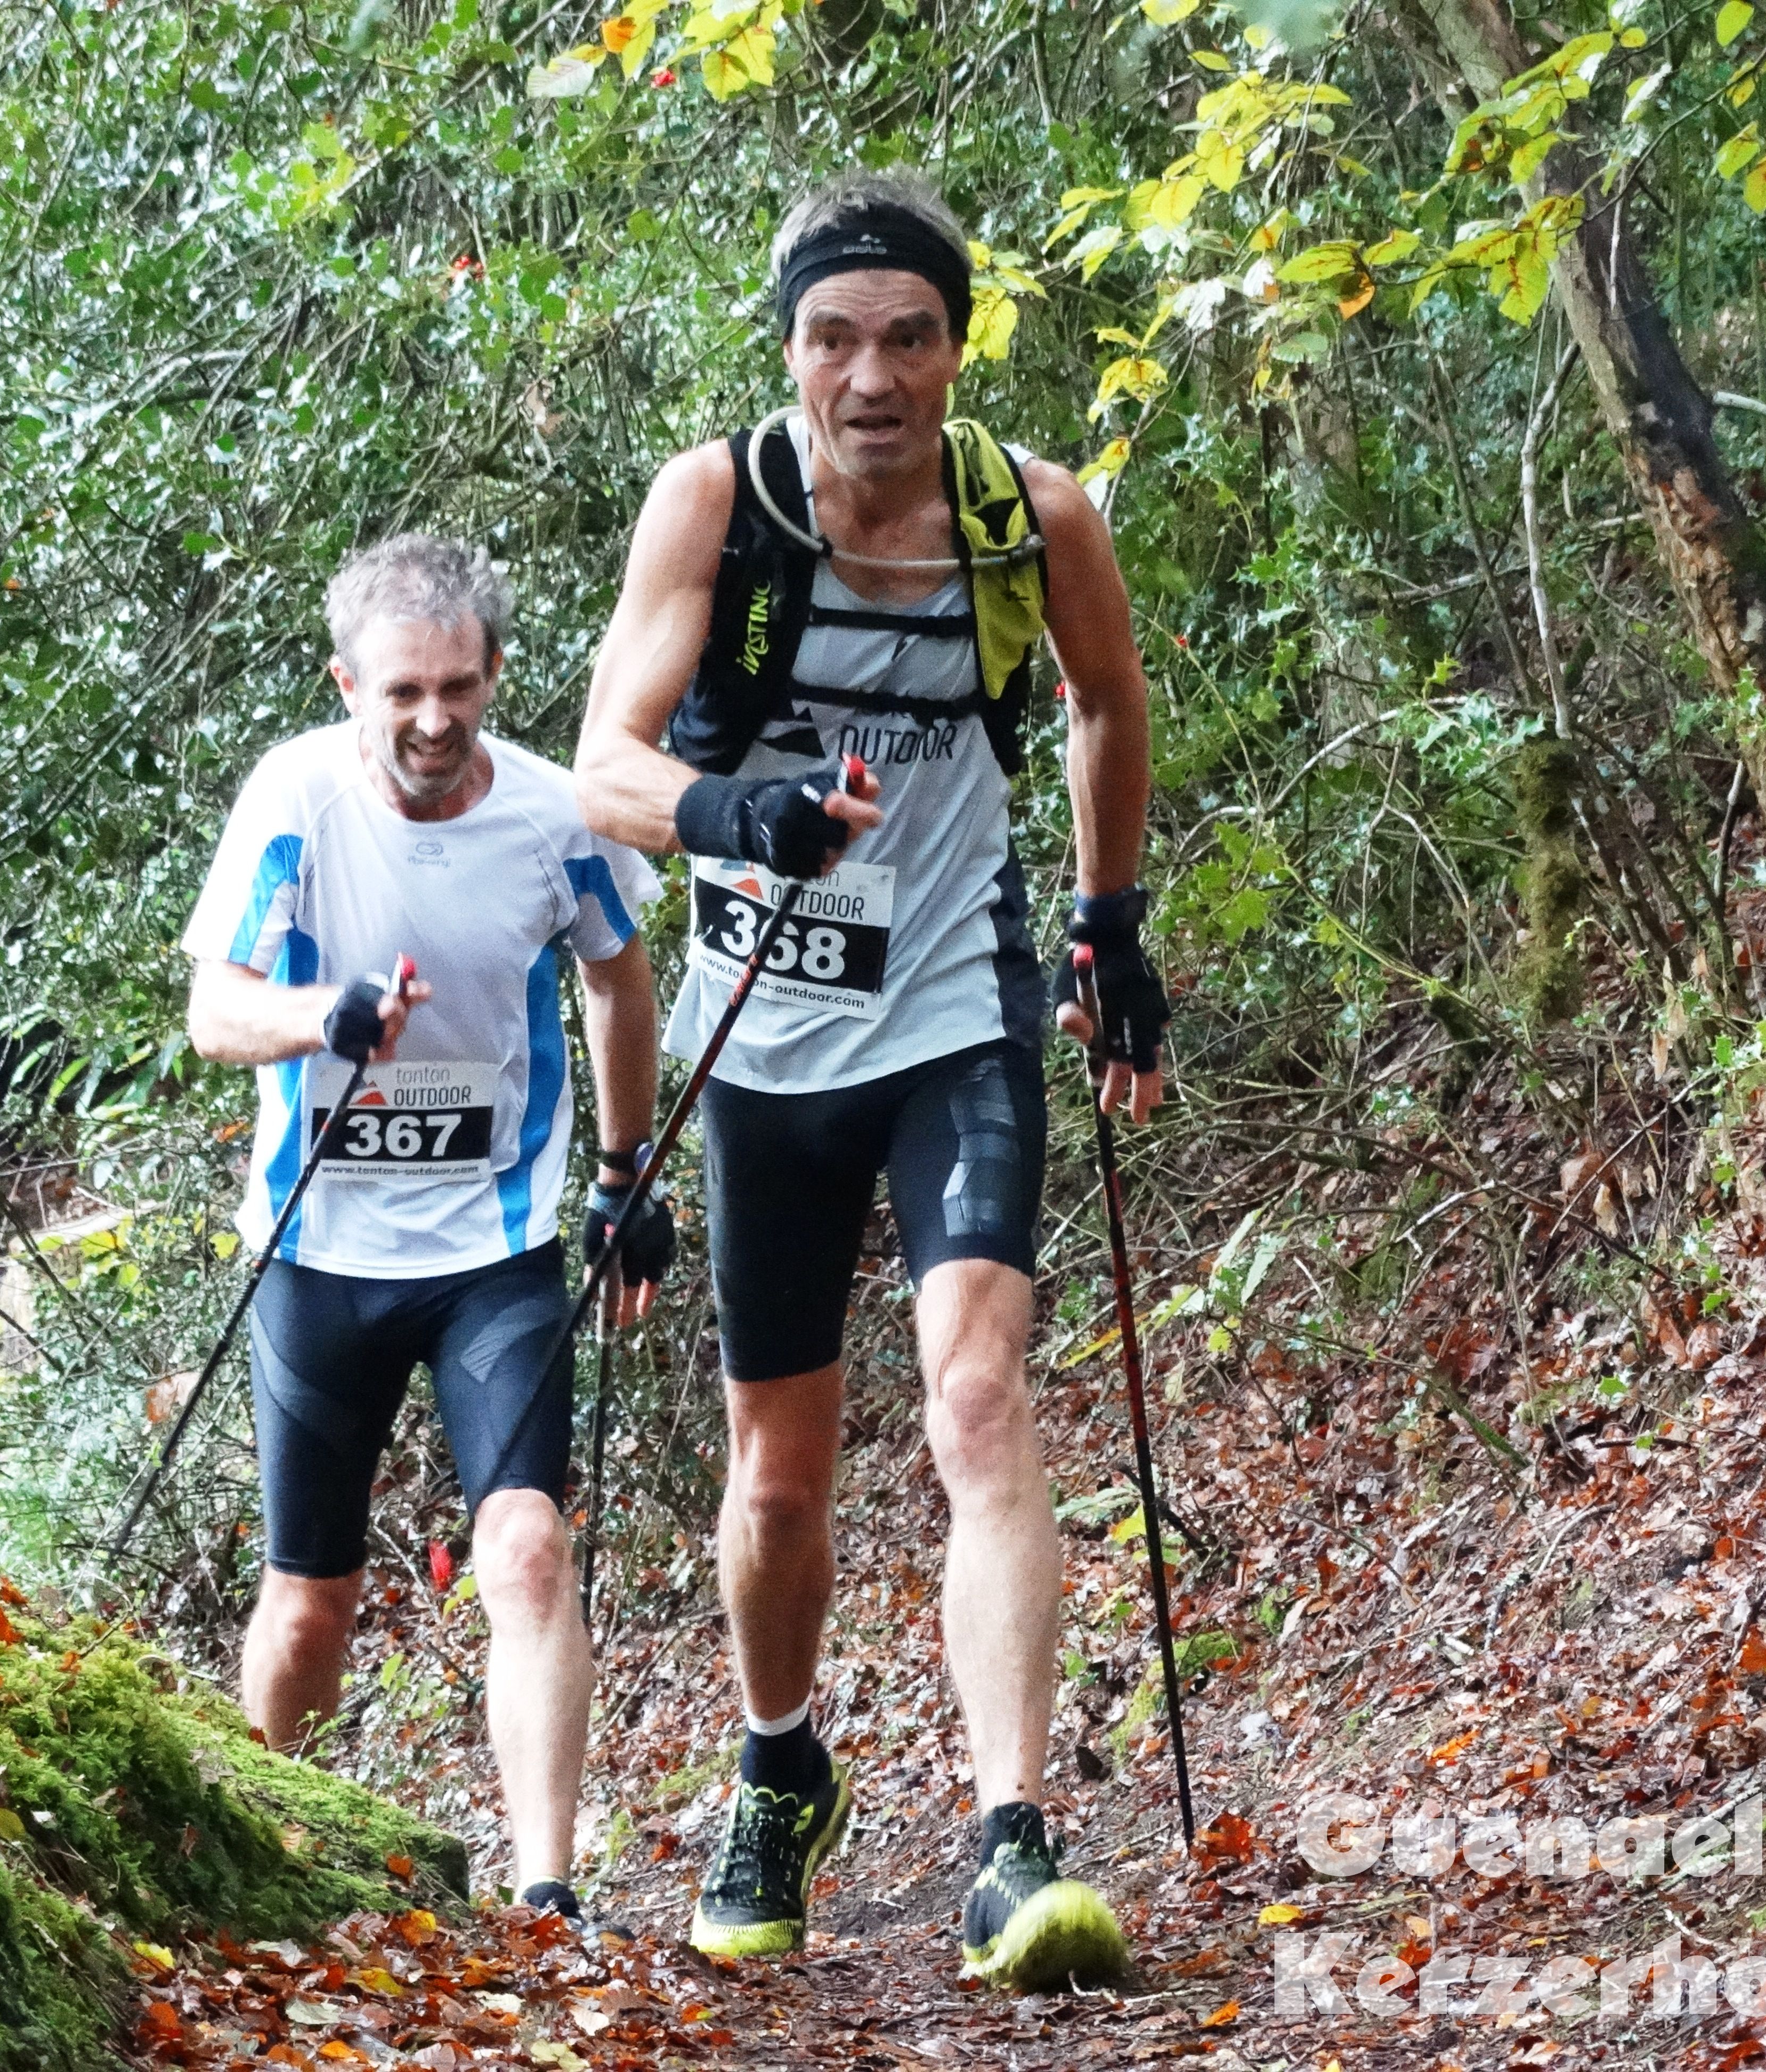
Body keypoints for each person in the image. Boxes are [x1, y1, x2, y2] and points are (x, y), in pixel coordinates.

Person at [572, 168, 1168, 1989]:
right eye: (834, 339)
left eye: (909, 338)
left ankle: (1013, 1841)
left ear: (958, 352)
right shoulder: (717, 507)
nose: (873, 377)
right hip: (766, 1047)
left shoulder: (1031, 520)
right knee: (778, 1483)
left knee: (977, 1396)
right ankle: (780, 1770)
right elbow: (602, 763)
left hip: (953, 1013)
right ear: (791, 354)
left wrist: (1109, 917)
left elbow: (1105, 698)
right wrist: (735, 813)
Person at [182, 533, 673, 1927]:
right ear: (350, 685)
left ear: (496, 673)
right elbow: (215, 1010)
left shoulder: (554, 813)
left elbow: (618, 977)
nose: (434, 719)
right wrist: (324, 1017)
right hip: (317, 1256)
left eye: (459, 686)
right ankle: (266, 1877)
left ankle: (546, 1897)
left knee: (526, 1550)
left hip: (491, 1256)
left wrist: (625, 1174)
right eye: (402, 691)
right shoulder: (294, 798)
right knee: (309, 1602)